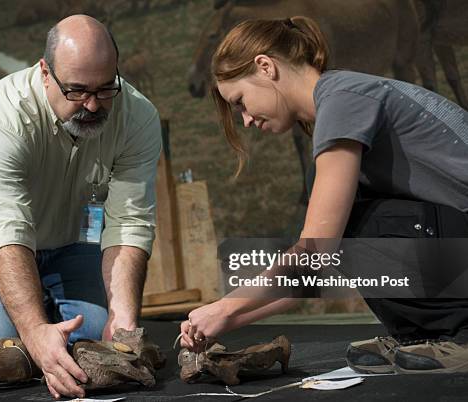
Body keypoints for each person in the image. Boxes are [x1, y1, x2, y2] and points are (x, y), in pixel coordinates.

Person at [180, 16, 468, 374]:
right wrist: (228, 318)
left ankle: (459, 337)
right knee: (350, 224)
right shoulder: (342, 104)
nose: (246, 121)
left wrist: (225, 307)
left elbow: (315, 252)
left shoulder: (344, 100)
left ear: (265, 66)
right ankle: (420, 336)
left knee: (349, 228)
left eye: (239, 101)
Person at [0, 15, 161, 399]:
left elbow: (128, 222)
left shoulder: (138, 116)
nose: (91, 104)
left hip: (72, 232)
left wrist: (122, 326)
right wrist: (34, 333)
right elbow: (8, 234)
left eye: (105, 89)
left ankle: (42, 310)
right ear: (45, 72)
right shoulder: (0, 119)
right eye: (76, 90)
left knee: (94, 338)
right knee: (3, 346)